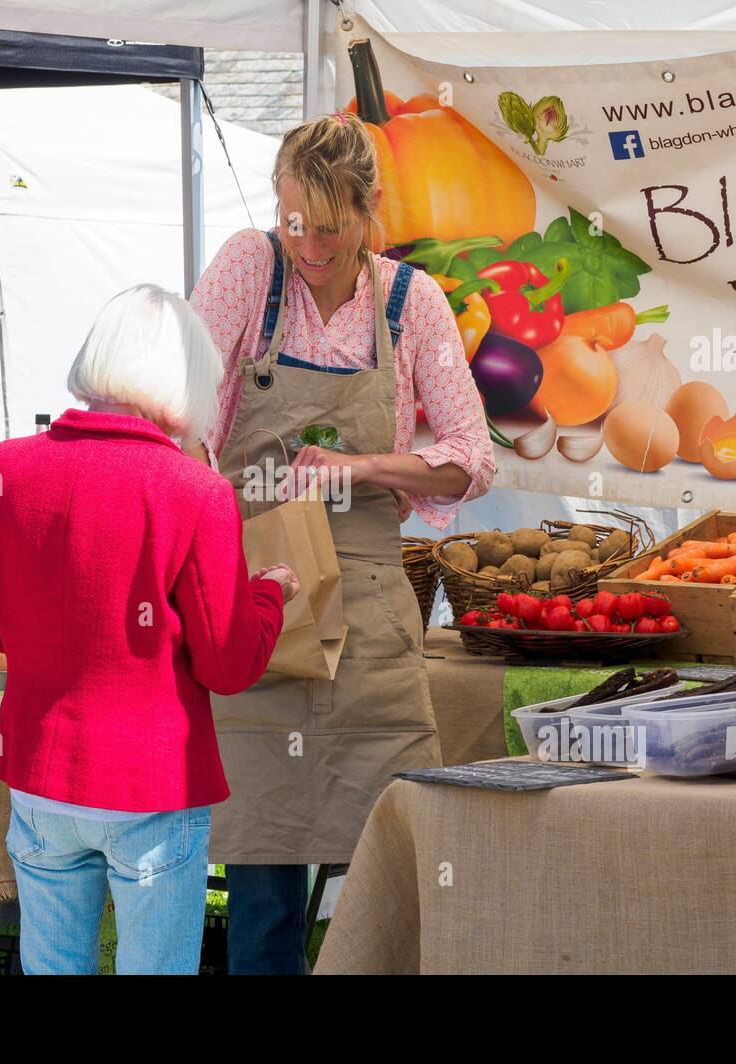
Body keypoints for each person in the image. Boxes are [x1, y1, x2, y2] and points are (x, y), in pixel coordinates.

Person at [188, 112, 495, 974]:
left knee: (391, 864)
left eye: (329, 227)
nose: (309, 246)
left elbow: (473, 460)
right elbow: (181, 417)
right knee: (263, 879)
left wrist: (357, 467)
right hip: (259, 606)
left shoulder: (412, 300)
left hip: (367, 615)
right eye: (294, 222)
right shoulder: (252, 267)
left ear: (368, 214)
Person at [0, 284, 298, 975]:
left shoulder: (1, 469)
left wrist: (52, 629)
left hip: (40, 772)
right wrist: (269, 595)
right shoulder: (196, 491)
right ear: (189, 383)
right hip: (150, 784)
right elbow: (229, 663)